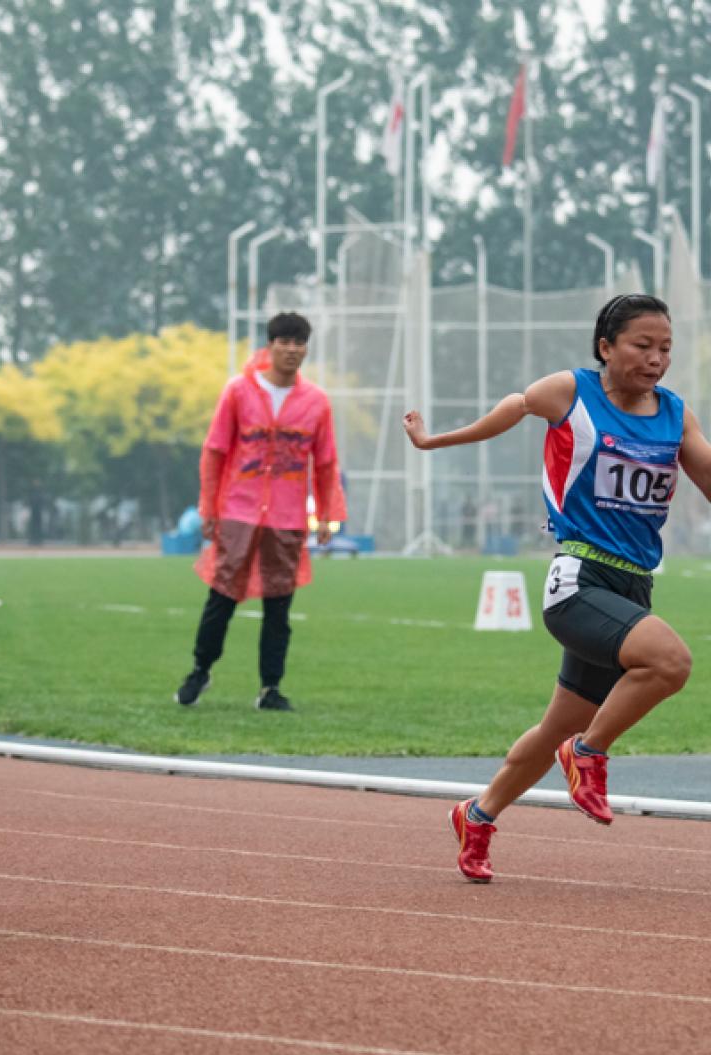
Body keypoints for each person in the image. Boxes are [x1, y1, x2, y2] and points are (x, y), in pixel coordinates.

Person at [403, 293, 711, 883]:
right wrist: (434, 441)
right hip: (577, 580)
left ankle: (478, 814)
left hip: (632, 587)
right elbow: (514, 409)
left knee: (556, 727)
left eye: (665, 348)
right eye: (642, 345)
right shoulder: (572, 392)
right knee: (670, 662)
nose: (656, 359)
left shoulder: (676, 414)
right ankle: (589, 754)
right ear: (606, 347)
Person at [176, 311, 346, 711]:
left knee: (279, 604)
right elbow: (215, 451)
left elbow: (325, 462)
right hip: (239, 509)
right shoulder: (239, 391)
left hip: (286, 516)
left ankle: (271, 688)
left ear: (306, 349)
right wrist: (209, 507)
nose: (292, 350)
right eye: (284, 341)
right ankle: (200, 670)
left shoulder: (316, 402)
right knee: (221, 596)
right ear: (270, 346)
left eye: (299, 342)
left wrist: (326, 514)